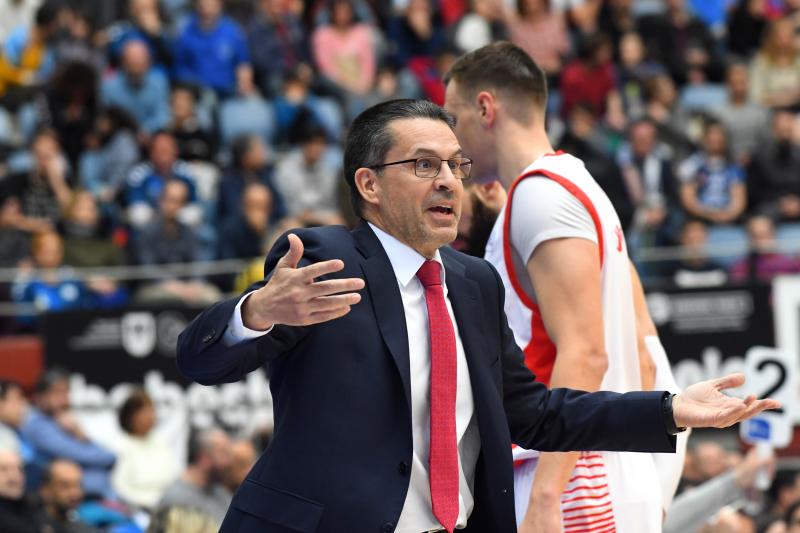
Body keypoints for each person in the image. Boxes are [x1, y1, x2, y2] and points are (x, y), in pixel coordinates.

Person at [177, 98, 778, 533]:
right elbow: (200, 358)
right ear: (369, 184)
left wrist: (671, 410)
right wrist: (253, 311)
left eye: (456, 165)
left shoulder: (474, 282)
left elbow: (535, 414)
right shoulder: (324, 259)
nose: (448, 181)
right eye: (423, 165)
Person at [443, 42, 687, 532]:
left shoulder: (542, 197)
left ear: (485, 108)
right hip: (597, 464)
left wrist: (547, 496)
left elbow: (586, 353)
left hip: (577, 477)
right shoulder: (564, 184)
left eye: (453, 118)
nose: (451, 140)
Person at [19, 368, 116, 498]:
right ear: (39, 397)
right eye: (57, 393)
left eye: (66, 392)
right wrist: (109, 456)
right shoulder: (37, 426)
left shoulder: (64, 422)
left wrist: (80, 434)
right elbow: (96, 457)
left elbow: (104, 455)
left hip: (96, 493)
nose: (63, 399)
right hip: (71, 497)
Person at [111, 388, 178, 510]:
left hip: (167, 505)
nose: (152, 416)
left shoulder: (160, 443)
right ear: (131, 416)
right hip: (135, 510)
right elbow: (120, 488)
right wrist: (149, 504)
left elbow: (172, 478)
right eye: (146, 411)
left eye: (152, 410)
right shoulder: (120, 446)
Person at [156, 428, 233, 528]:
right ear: (204, 458)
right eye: (224, 454)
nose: (230, 462)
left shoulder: (219, 491)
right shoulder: (176, 498)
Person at [38, 459, 97, 533]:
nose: (75, 493)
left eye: (78, 485)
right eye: (65, 486)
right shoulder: (28, 523)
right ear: (46, 490)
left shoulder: (83, 528)